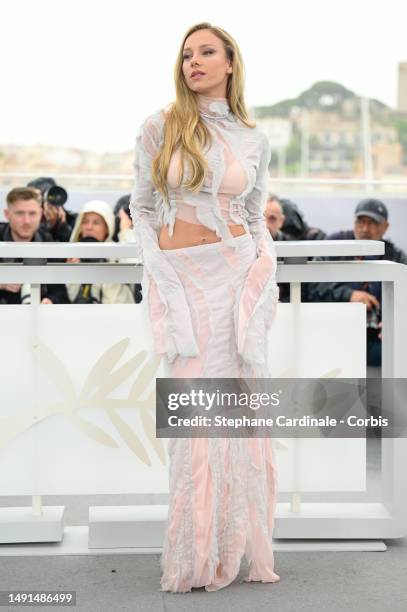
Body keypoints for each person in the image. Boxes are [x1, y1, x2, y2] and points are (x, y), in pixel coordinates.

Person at [130, 22, 280, 593]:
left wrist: (261, 272)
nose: (194, 61)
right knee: (193, 425)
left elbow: (257, 211)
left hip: (237, 277)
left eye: (206, 52)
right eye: (187, 54)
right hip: (184, 285)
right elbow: (142, 208)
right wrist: (162, 275)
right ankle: (191, 558)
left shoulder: (252, 137)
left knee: (236, 422)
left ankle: (233, 551)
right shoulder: (158, 127)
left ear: (230, 63)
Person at [308, 199, 407, 366]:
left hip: (377, 336)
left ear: (385, 226)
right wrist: (349, 295)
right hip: (334, 330)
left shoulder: (396, 257)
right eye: (360, 222)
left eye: (373, 223)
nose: (365, 229)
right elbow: (310, 284)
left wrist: (398, 320)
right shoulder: (334, 245)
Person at [0, 187, 69, 305]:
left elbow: (60, 292)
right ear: (7, 214)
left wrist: (51, 301)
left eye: (32, 213)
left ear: (41, 214)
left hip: (37, 318)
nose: (26, 221)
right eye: (19, 213)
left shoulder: (47, 242)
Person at [66, 200, 135, 304]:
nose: (89, 227)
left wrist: (126, 232)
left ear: (107, 227)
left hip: (119, 315)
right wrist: (73, 271)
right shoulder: (73, 255)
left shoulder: (117, 253)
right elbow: (70, 297)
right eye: (85, 222)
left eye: (96, 223)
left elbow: (135, 268)